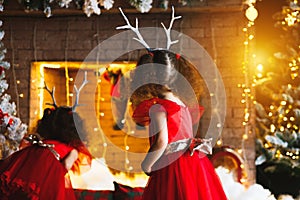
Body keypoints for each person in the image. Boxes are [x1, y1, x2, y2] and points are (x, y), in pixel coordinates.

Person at [130, 50, 228, 200]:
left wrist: (147, 164)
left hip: (172, 166)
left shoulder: (159, 108)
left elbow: (162, 142)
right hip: (193, 162)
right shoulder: (182, 103)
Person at [0, 106, 92, 200]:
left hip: (30, 155)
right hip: (49, 168)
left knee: (19, 186)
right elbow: (66, 165)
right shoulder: (73, 150)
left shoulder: (44, 142)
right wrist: (57, 175)